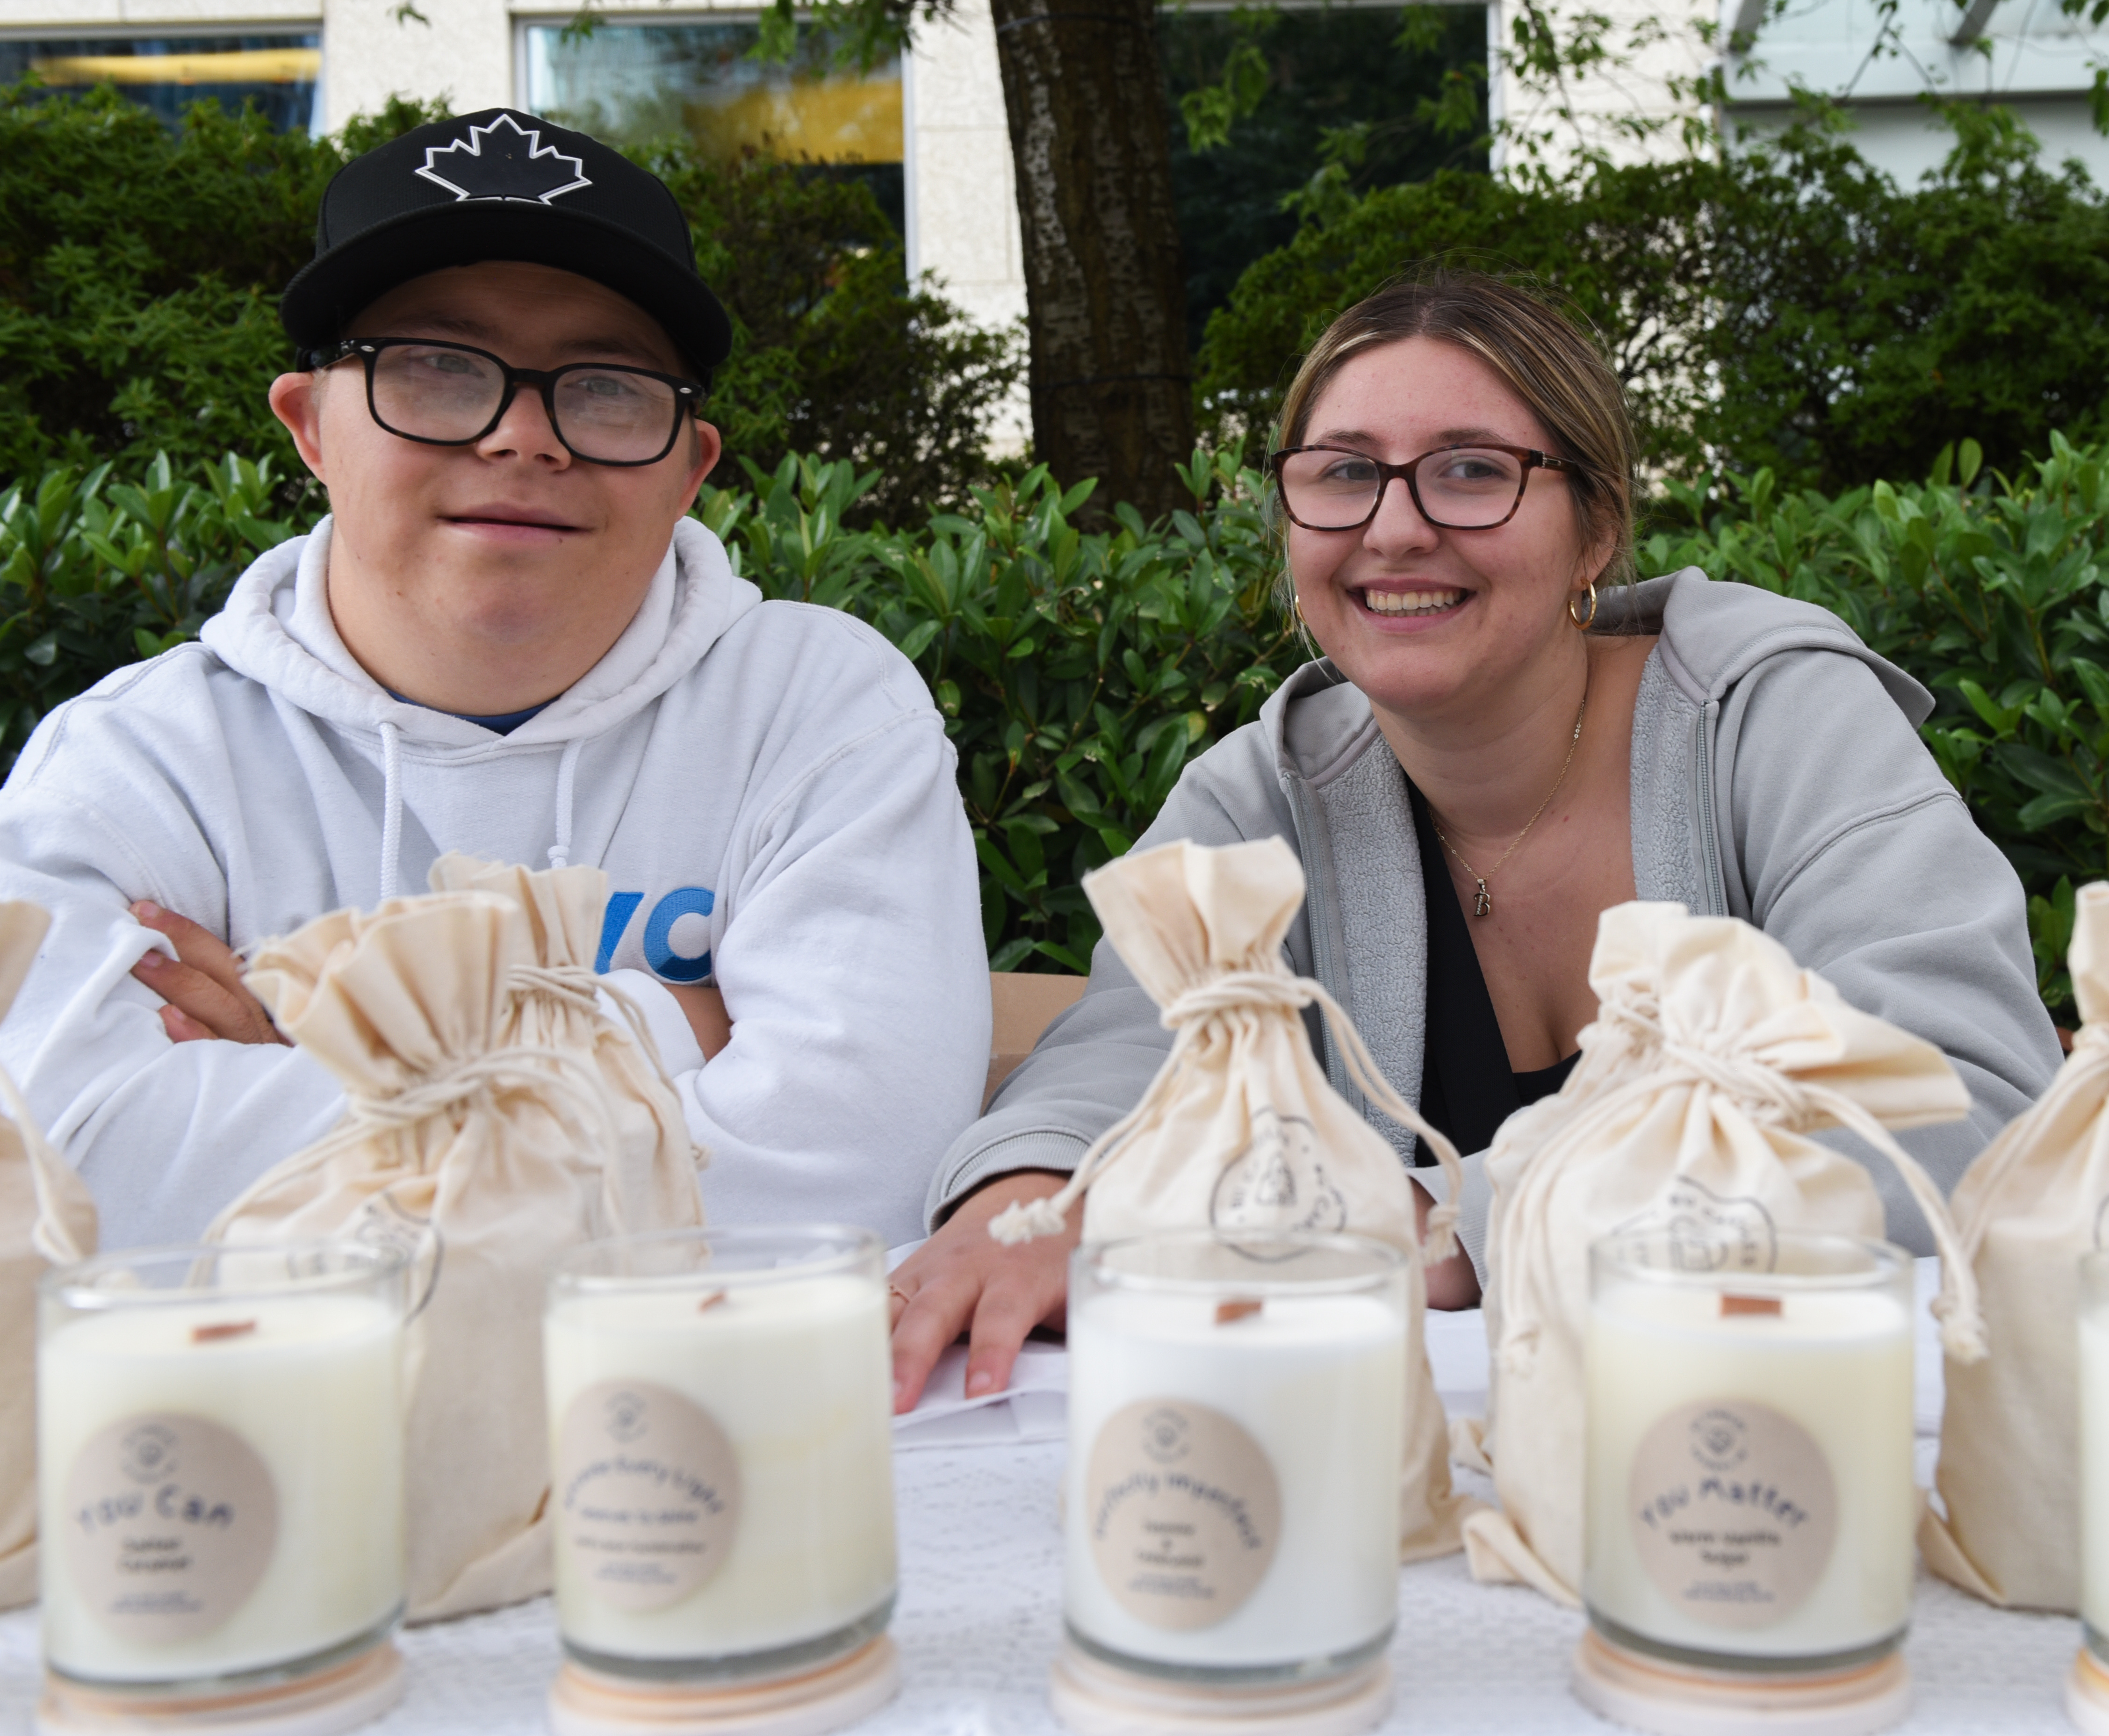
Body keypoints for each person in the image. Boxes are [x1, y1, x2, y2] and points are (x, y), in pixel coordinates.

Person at [886, 269, 2065, 1407]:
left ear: (1595, 530)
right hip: (1412, 1484)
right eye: (1344, 474)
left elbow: (1965, 1106)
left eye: (1469, 472)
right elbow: (1121, 1057)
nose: (1394, 530)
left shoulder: (1772, 721)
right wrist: (1026, 1198)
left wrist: (1443, 1225)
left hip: (1778, 1441)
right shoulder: (1262, 794)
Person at [0, 108, 989, 1252]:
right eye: (434, 367)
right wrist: (668, 1030)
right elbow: (76, 1176)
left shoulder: (818, 708)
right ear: (312, 425)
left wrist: (319, 1059)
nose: (525, 436)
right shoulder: (135, 760)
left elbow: (852, 1180)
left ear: (691, 468)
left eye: (608, 384)